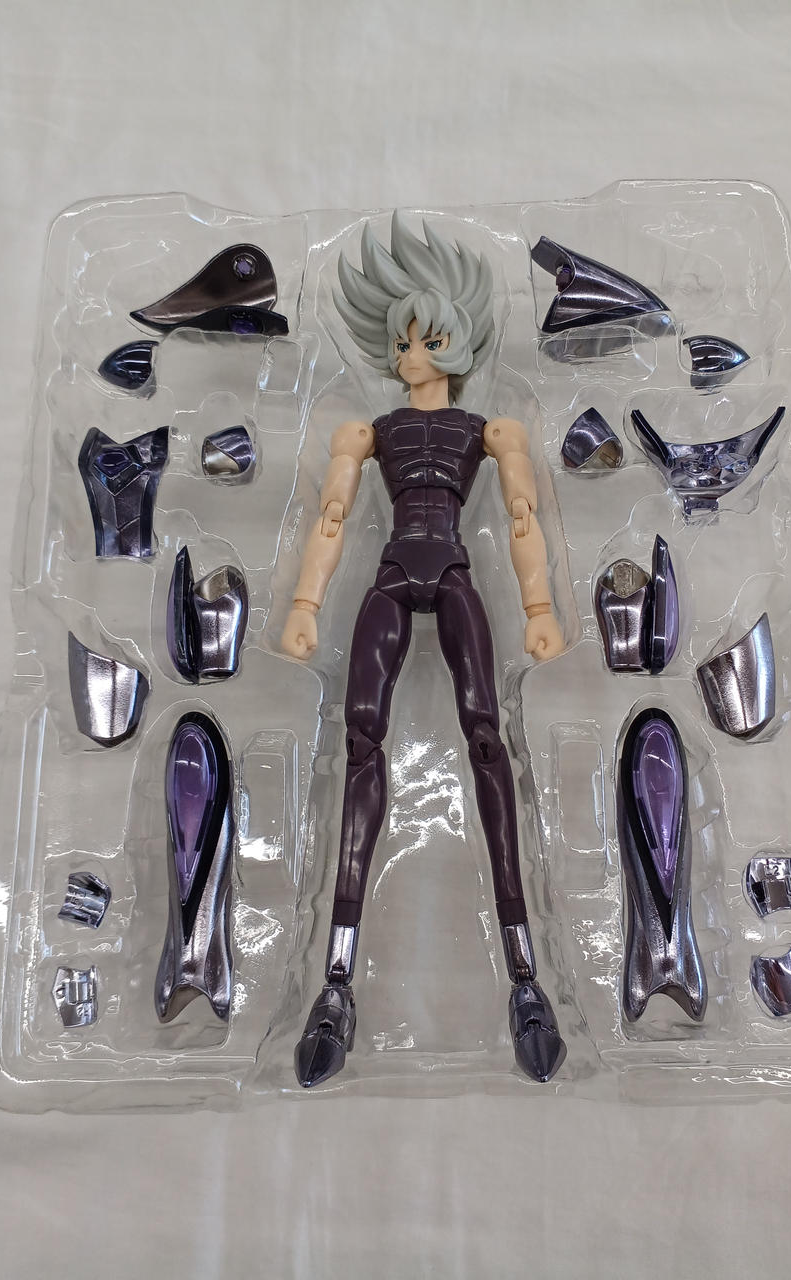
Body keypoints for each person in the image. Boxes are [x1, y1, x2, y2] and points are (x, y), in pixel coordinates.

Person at [281, 212, 567, 1086]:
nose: (411, 353)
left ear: (462, 339)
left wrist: (540, 607)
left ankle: (525, 974)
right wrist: (304, 603)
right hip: (393, 570)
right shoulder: (366, 434)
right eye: (402, 338)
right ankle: (336, 978)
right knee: (360, 739)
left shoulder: (493, 432)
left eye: (429, 337)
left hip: (452, 569)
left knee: (487, 736)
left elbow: (522, 515)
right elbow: (333, 515)